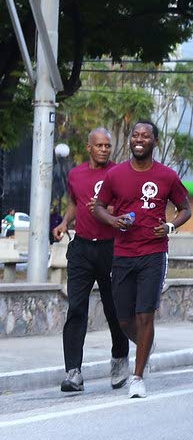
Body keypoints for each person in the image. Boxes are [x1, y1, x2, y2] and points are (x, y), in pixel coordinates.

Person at [94, 121, 192, 399]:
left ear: (154, 142)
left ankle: (137, 378)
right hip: (123, 253)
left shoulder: (167, 175)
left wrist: (171, 226)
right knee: (124, 319)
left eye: (145, 136)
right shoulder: (115, 175)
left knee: (144, 313)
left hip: (153, 252)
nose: (139, 139)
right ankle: (145, 345)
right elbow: (99, 207)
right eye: (135, 135)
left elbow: (185, 209)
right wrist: (114, 220)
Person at [54, 128, 130, 392]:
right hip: (82, 249)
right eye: (99, 145)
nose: (104, 150)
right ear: (89, 148)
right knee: (76, 309)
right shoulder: (75, 174)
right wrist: (65, 222)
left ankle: (120, 358)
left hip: (111, 248)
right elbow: (75, 203)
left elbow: (126, 207)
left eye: (108, 146)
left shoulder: (119, 173)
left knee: (114, 308)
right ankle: (73, 371)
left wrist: (108, 210)